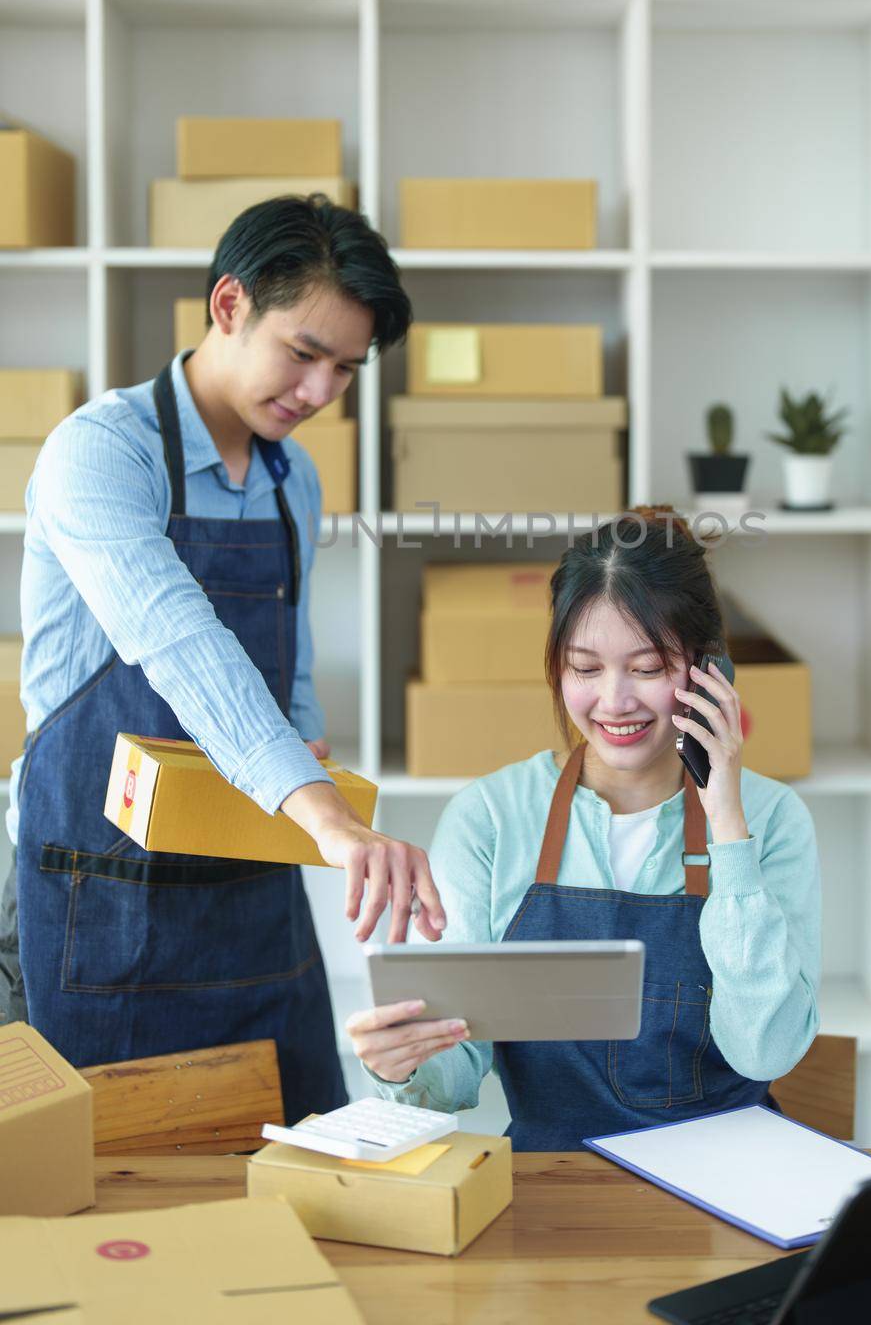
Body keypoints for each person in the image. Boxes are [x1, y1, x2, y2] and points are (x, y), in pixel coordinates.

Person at [0, 194, 444, 1121]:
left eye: (346, 371)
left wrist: (308, 757)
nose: (320, 393)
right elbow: (178, 640)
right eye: (304, 353)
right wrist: (323, 817)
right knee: (110, 1191)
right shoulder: (102, 454)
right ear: (230, 304)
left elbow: (289, 672)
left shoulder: (294, 478)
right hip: (97, 894)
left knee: (295, 1156)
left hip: (250, 890)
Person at [348, 507, 820, 1150]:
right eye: (585, 668)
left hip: (729, 1178)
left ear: (709, 672)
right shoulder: (490, 818)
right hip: (554, 1184)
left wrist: (727, 826)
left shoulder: (772, 820)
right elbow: (458, 1077)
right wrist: (399, 1060)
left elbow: (764, 1050)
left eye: (648, 668)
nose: (614, 701)